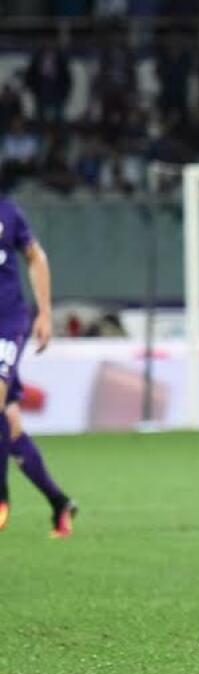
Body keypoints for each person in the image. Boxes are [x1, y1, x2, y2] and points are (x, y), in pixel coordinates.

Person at [0, 196, 78, 537]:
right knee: (10, 426)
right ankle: (59, 502)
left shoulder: (8, 211)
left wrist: (45, 313)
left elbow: (35, 256)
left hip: (7, 323)